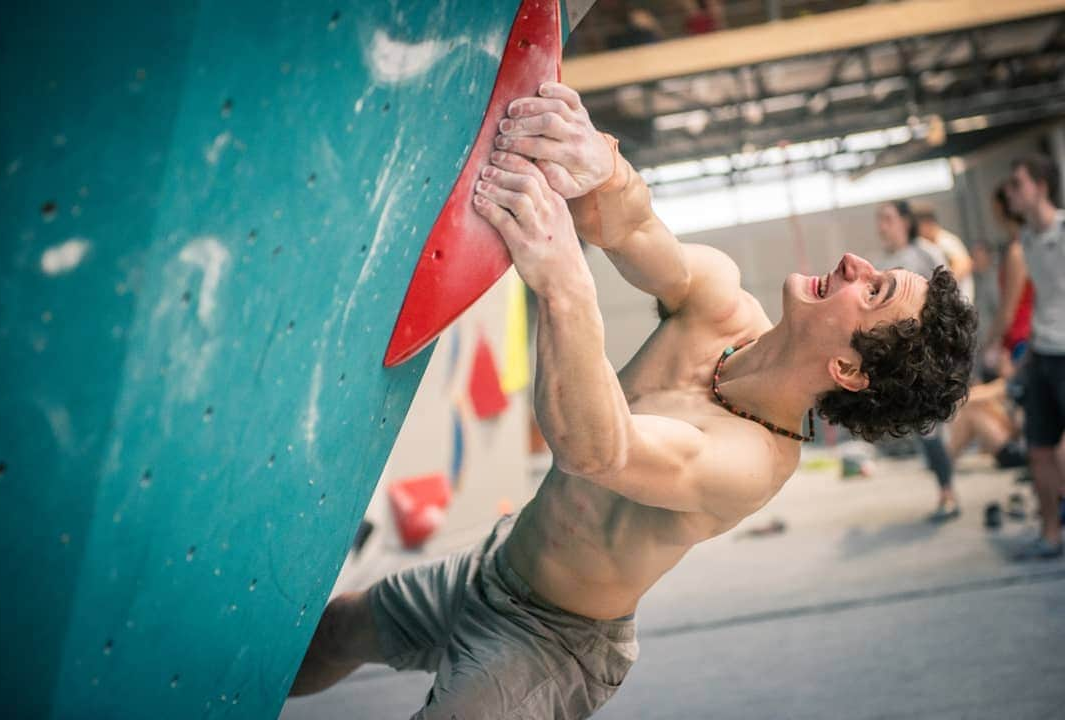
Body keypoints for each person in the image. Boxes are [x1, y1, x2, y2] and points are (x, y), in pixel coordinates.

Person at [290, 82, 978, 718]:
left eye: (875, 292)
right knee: (332, 633)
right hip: (496, 565)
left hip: (551, 643)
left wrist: (564, 285)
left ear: (849, 370)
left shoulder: (753, 462)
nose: (857, 265)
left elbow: (598, 449)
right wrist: (601, 166)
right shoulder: (721, 302)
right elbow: (635, 230)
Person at [876, 200, 959, 521]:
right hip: (906, 360)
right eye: (879, 219)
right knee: (926, 430)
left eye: (887, 218)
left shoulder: (925, 253)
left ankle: (948, 495)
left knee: (933, 430)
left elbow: (948, 298)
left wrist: (946, 346)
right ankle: (946, 492)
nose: (881, 225)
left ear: (904, 221)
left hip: (934, 355)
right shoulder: (883, 263)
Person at [1004, 154, 1065, 560]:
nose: (1011, 193)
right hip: (1042, 354)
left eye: (1018, 184)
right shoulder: (1025, 239)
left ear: (1040, 187)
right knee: (1039, 449)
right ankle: (1050, 534)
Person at [981, 184, 1035, 376]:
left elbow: (1008, 311)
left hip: (1022, 339)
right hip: (1022, 337)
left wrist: (988, 342)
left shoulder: (1017, 251)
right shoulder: (1022, 244)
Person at [915, 207, 975, 303]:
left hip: (960, 304)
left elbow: (964, 264)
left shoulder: (945, 240)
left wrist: (940, 288)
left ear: (927, 224)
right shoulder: (930, 246)